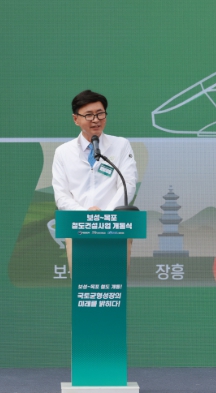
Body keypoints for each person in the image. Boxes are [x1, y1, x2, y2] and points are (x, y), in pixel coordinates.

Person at [52, 90, 137, 274]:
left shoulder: (121, 145)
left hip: (115, 228)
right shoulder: (63, 152)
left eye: (100, 114)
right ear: (76, 119)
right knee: (84, 284)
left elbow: (128, 184)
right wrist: (86, 215)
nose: (96, 120)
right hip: (78, 228)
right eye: (89, 115)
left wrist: (104, 217)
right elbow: (61, 195)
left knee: (113, 283)